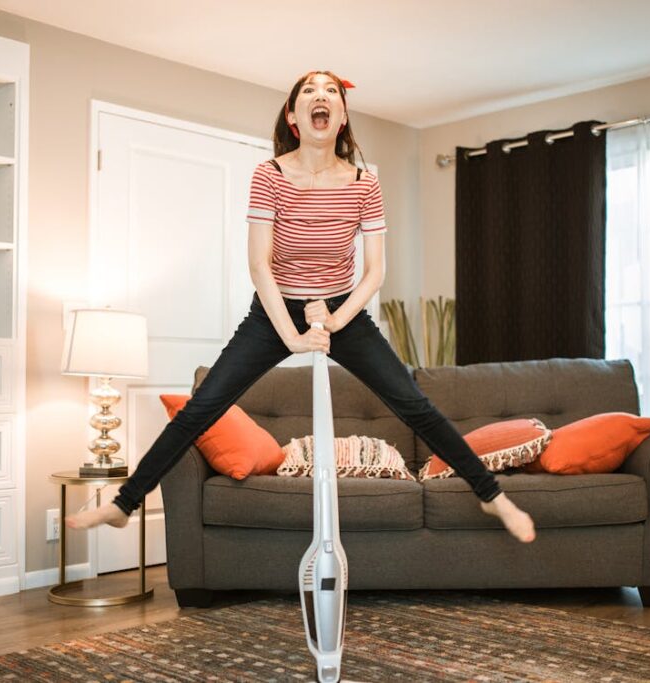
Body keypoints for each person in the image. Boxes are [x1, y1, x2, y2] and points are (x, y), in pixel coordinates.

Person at [65, 70, 536, 544]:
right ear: (294, 116)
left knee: (415, 405)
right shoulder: (269, 175)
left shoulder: (363, 183)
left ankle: (491, 494)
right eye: (309, 90)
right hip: (275, 309)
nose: (321, 96)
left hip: (343, 310)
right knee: (203, 405)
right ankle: (125, 505)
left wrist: (333, 320)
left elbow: (374, 273)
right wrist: (291, 335)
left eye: (331, 91)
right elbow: (259, 265)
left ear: (342, 116)